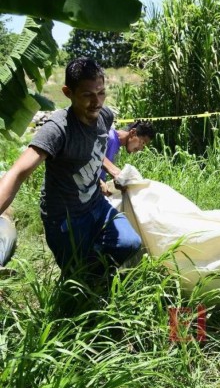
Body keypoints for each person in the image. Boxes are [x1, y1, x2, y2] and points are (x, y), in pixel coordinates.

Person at [0, 58, 141, 281]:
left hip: (96, 206)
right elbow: (17, 172)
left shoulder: (105, 116)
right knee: (77, 279)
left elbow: (94, 148)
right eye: (87, 95)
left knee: (130, 243)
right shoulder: (58, 129)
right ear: (68, 92)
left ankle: (97, 278)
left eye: (101, 92)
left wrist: (103, 175)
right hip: (65, 219)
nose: (97, 102)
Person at [99, 120, 155, 195]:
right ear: (133, 132)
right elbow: (89, 157)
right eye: (142, 143)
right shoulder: (109, 138)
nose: (141, 148)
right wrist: (99, 182)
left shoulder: (116, 145)